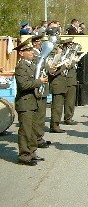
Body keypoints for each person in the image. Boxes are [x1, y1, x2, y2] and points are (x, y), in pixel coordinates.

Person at [14, 37, 49, 166]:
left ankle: (32, 152)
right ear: (21, 53)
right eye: (28, 50)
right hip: (25, 102)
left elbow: (41, 70)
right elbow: (24, 85)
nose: (32, 52)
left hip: (33, 101)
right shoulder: (20, 67)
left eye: (31, 50)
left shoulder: (32, 64)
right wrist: (40, 81)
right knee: (25, 130)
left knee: (33, 129)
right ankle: (24, 156)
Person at [31, 34, 51, 148]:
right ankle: (37, 138)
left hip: (42, 87)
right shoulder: (34, 54)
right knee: (38, 116)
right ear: (35, 43)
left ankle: (39, 136)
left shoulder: (39, 53)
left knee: (41, 115)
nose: (41, 44)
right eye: (39, 42)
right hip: (37, 87)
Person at [48, 38, 72, 133]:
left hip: (62, 84)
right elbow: (53, 72)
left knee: (59, 106)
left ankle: (56, 124)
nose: (60, 49)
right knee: (57, 107)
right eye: (59, 47)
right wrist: (63, 66)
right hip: (57, 84)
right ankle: (54, 125)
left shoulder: (61, 56)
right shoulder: (52, 57)